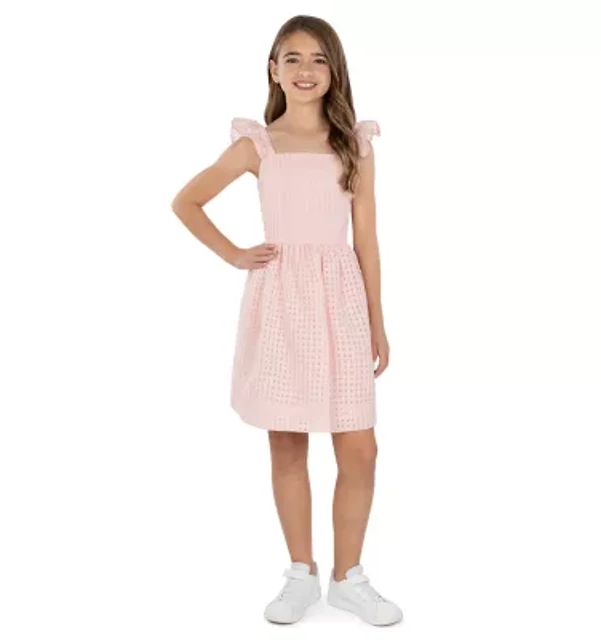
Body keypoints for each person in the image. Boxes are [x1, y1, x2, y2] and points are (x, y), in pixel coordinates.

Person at [171, 14, 402, 627]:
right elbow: (186, 201)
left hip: (341, 300)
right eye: (292, 58)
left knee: (360, 447)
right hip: (281, 302)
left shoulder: (353, 144)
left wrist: (377, 321)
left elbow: (367, 240)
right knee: (288, 441)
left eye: (319, 59)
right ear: (273, 70)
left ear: (335, 71)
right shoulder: (259, 145)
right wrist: (234, 254)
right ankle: (301, 572)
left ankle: (348, 578)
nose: (305, 70)